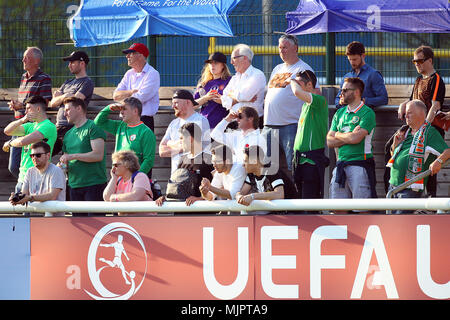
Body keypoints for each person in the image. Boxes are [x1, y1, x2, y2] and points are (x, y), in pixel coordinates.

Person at [264, 34, 321, 172]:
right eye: (280, 47)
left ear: (295, 48)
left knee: (293, 166)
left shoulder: (303, 69)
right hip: (270, 124)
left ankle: (295, 193)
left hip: (290, 124)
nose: (281, 50)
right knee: (267, 167)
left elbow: (316, 94)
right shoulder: (277, 68)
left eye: (285, 47)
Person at [397, 45, 447, 198]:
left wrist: (424, 127)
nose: (417, 64)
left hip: (430, 129)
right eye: (414, 61)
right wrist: (402, 105)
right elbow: (413, 100)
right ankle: (403, 191)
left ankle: (430, 201)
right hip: (415, 129)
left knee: (430, 165)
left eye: (419, 61)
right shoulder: (418, 80)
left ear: (430, 61)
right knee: (392, 149)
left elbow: (435, 105)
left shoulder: (436, 79)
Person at [387, 100, 449, 213]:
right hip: (393, 185)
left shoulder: (429, 132)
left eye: (409, 112)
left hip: (409, 188)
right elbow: (394, 156)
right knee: (392, 223)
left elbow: (448, 151)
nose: (406, 115)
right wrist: (395, 145)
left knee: (401, 223)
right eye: (406, 112)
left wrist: (439, 161)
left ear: (421, 114)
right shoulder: (404, 131)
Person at [327, 77, 377, 213]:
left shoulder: (367, 112)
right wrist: (348, 136)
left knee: (362, 210)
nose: (341, 93)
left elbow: (356, 139)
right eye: (341, 90)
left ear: (356, 92)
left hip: (360, 165)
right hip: (340, 165)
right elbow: (329, 141)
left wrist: (337, 134)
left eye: (344, 90)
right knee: (337, 209)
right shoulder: (339, 112)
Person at [6, 47, 52, 179]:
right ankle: (26, 186)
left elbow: (45, 102)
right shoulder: (23, 77)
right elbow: (25, 103)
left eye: (27, 57)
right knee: (14, 166)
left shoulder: (44, 79)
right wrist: (16, 105)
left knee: (29, 163)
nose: (23, 60)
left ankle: (29, 188)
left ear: (36, 61)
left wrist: (23, 105)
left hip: (33, 127)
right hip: (20, 126)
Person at [60, 97, 107, 216]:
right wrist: (61, 166)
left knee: (97, 228)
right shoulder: (68, 135)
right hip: (74, 186)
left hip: (94, 185)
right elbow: (66, 160)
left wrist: (73, 156)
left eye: (67, 109)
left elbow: (98, 155)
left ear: (79, 108)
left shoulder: (93, 127)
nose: (65, 113)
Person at [289, 70, 329, 201]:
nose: (296, 85)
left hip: (311, 162)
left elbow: (297, 92)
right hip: (300, 162)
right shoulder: (305, 106)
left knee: (309, 203)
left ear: (309, 84)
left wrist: (290, 80)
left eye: (299, 82)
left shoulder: (319, 101)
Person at [3, 95, 57, 193]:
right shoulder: (30, 125)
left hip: (38, 178)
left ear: (38, 109)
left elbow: (22, 142)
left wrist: (10, 143)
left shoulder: (48, 126)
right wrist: (22, 120)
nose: (26, 112)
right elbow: (7, 131)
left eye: (28, 109)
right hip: (22, 178)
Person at [94, 97, 156, 176]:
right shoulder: (120, 126)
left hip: (134, 181)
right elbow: (98, 122)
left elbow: (148, 161)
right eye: (121, 109)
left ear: (135, 111)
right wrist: (109, 108)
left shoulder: (146, 132)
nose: (121, 112)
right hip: (118, 179)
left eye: (124, 109)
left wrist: (135, 177)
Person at [156, 122, 214, 207]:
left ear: (190, 139)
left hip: (200, 214)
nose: (180, 142)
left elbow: (215, 190)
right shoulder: (182, 159)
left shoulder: (209, 160)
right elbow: (177, 187)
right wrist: (166, 198)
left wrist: (198, 199)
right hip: (181, 211)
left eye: (181, 138)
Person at [48, 50, 94, 156]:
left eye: (72, 62)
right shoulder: (67, 82)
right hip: (57, 127)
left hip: (72, 128)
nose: (69, 65)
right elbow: (52, 103)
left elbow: (75, 101)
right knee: (42, 154)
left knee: (69, 162)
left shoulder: (87, 82)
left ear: (82, 64)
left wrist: (61, 97)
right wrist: (66, 96)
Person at [159, 89, 211, 174]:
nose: (173, 106)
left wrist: (170, 143)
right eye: (172, 103)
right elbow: (161, 151)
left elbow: (196, 147)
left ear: (188, 102)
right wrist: (180, 147)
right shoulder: (174, 123)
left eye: (176, 103)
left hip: (194, 174)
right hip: (175, 175)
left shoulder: (200, 121)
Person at [9, 141, 66, 217]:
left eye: (38, 155)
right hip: (34, 219)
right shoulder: (30, 171)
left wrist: (30, 198)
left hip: (54, 221)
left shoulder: (56, 171)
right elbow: (24, 194)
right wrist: (17, 198)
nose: (34, 158)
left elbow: (52, 196)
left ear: (48, 156)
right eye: (32, 155)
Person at [236, 145, 297, 215]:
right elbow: (242, 192)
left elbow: (279, 194)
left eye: (245, 161)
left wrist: (252, 196)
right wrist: (239, 196)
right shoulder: (251, 174)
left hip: (291, 213)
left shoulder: (272, 170)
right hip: (274, 213)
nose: (243, 165)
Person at [114, 43, 160, 132]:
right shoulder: (129, 73)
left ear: (140, 56)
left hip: (144, 120)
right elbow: (115, 96)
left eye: (131, 53)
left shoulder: (152, 74)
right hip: (126, 119)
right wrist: (131, 92)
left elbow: (140, 99)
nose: (127, 56)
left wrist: (123, 95)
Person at [221, 44, 266, 126]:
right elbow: (223, 98)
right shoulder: (235, 77)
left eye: (234, 58)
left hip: (251, 123)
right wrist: (239, 98)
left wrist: (232, 95)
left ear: (244, 58)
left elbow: (244, 96)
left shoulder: (257, 75)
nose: (231, 62)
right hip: (234, 122)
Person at [335, 41, 388, 109]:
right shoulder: (347, 76)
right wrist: (340, 102)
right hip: (348, 116)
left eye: (354, 59)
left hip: (366, 114)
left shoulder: (373, 74)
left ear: (363, 56)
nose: (352, 62)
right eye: (350, 59)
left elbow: (383, 99)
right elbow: (337, 99)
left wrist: (363, 101)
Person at [103, 150, 153, 216]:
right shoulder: (118, 180)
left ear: (127, 164)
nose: (113, 168)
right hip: (126, 221)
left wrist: (115, 198)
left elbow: (136, 196)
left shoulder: (140, 176)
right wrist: (113, 178)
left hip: (145, 220)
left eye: (116, 165)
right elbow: (106, 197)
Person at [194, 52, 232, 129]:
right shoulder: (204, 83)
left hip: (220, 125)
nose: (212, 65)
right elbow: (192, 105)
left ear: (223, 65)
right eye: (210, 63)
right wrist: (206, 97)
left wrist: (221, 99)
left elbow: (234, 101)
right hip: (202, 123)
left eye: (216, 63)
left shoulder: (230, 81)